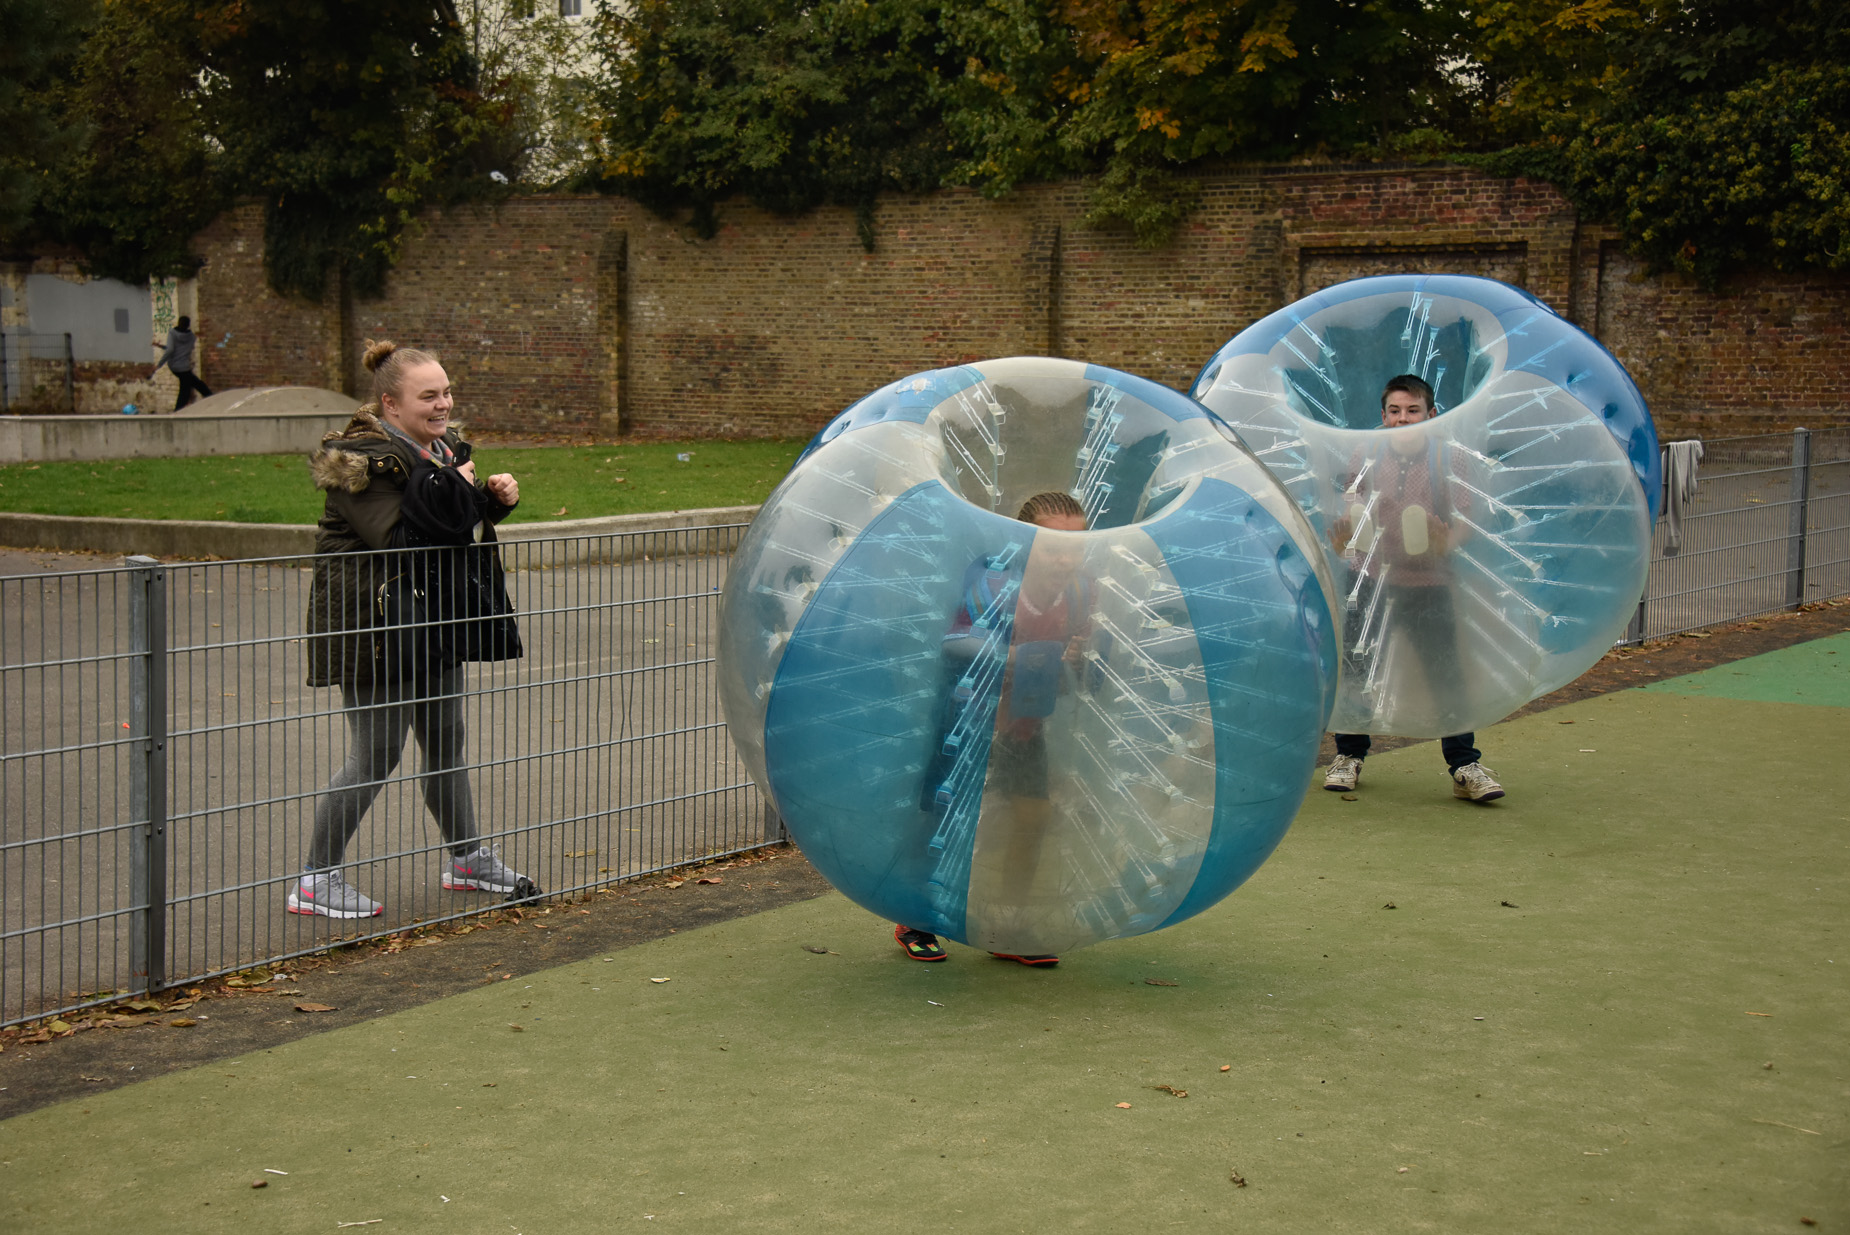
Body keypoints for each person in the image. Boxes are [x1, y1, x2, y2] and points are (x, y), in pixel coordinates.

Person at [292, 338, 531, 918]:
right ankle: (314, 880)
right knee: (376, 755)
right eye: (429, 395)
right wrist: (459, 492)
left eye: (447, 391)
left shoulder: (441, 450)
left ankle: (468, 859)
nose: (443, 403)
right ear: (391, 405)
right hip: (375, 629)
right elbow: (401, 540)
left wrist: (489, 501)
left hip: (432, 622)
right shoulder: (357, 465)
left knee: (446, 744)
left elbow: (445, 525)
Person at [897, 491, 1093, 965]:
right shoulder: (994, 580)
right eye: (1053, 544)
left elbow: (1083, 673)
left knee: (1032, 817)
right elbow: (953, 640)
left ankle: (1008, 925)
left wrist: (1078, 660)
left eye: (1076, 544)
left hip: (1025, 722)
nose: (1066, 556)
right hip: (965, 719)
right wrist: (1011, 656)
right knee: (944, 818)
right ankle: (915, 919)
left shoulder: (1081, 592)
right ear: (1027, 542)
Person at [1321, 375, 1505, 803]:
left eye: (1413, 410)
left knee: (1445, 675)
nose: (1403, 419)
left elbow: (1464, 520)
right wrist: (1346, 538)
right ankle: (1349, 756)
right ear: (1383, 417)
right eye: (1395, 411)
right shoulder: (1365, 453)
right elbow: (1353, 508)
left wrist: (1448, 542)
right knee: (1356, 671)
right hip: (1368, 581)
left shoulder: (1447, 459)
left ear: (1431, 414)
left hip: (1427, 581)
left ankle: (1464, 765)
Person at [150, 315, 213, 411]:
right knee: (186, 389)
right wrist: (162, 347)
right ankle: (179, 410)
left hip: (174, 367)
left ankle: (209, 397)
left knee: (194, 383)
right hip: (184, 367)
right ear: (188, 326)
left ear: (178, 323)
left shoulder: (172, 333)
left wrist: (159, 364)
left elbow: (171, 350)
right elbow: (178, 350)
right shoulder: (192, 337)